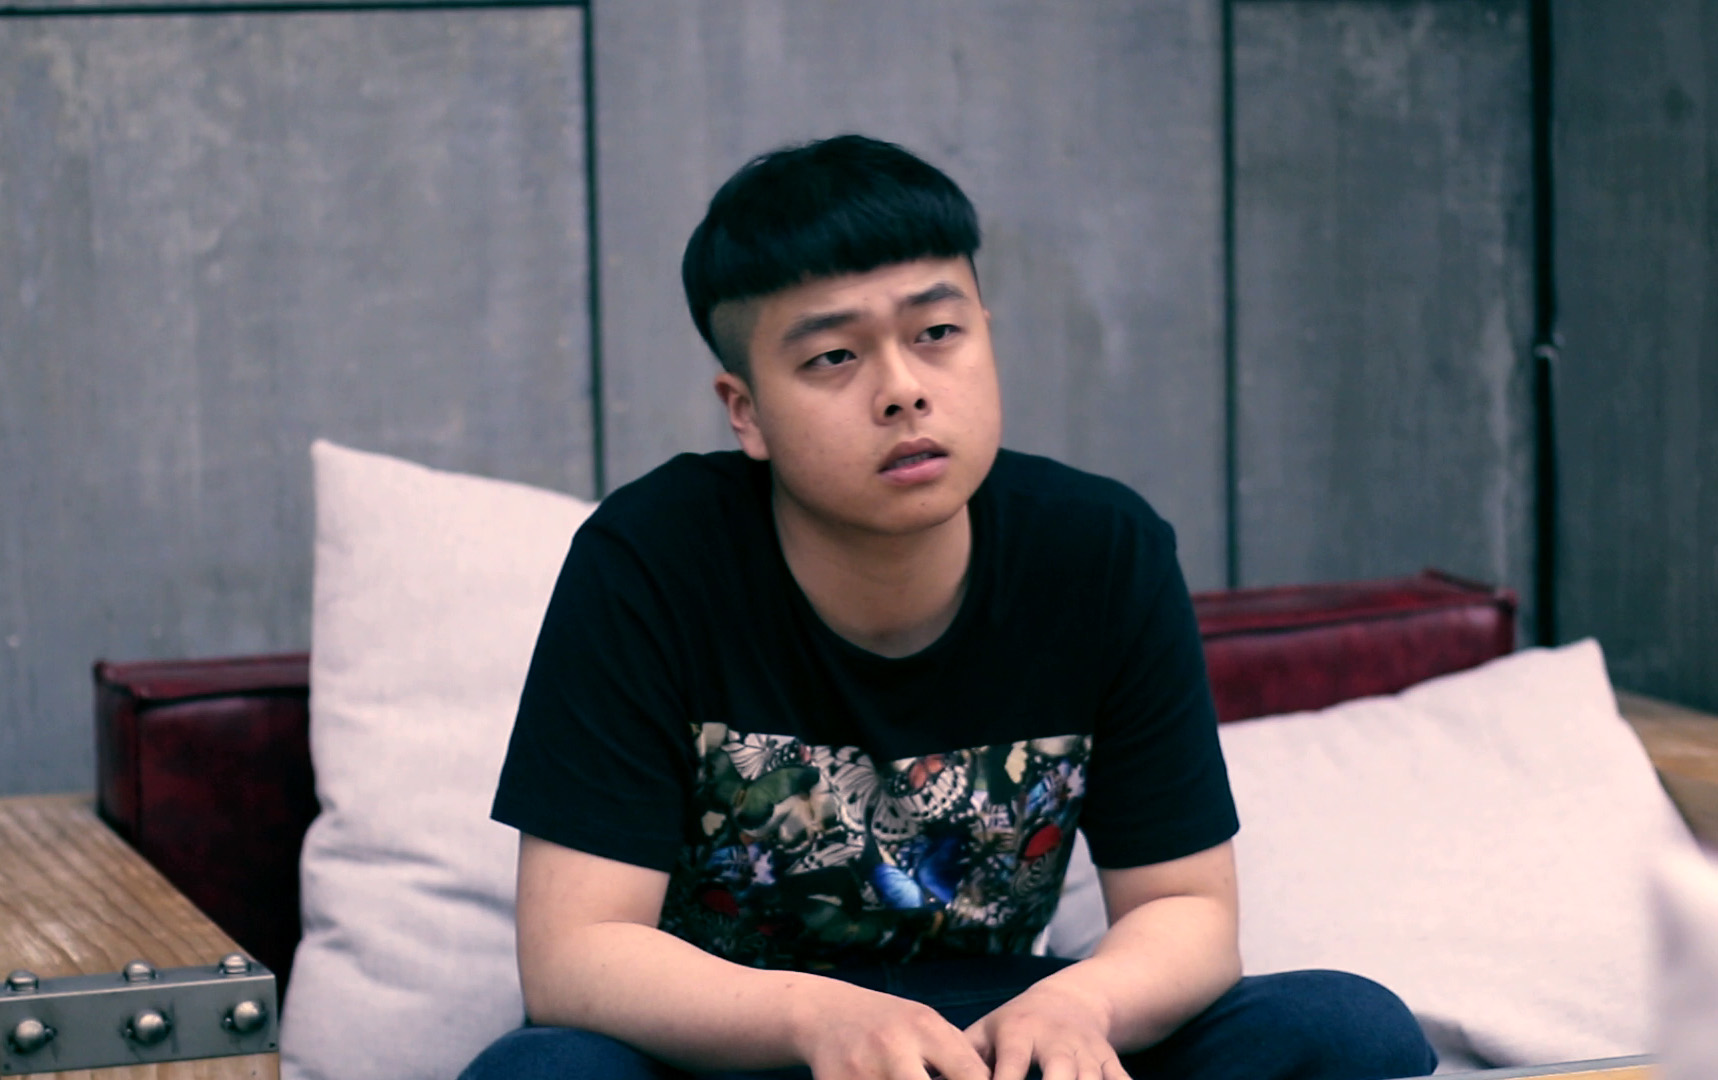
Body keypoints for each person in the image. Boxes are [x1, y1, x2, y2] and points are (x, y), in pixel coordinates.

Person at [461, 134, 1436, 1080]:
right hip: (742, 1041)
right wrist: (818, 1017)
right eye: (832, 357)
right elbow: (575, 953)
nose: (902, 391)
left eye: (936, 334)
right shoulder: (650, 561)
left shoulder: (1099, 552)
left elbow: (1185, 908)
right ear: (745, 411)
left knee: (1343, 1026)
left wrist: (1080, 1005)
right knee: (543, 1074)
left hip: (996, 1036)